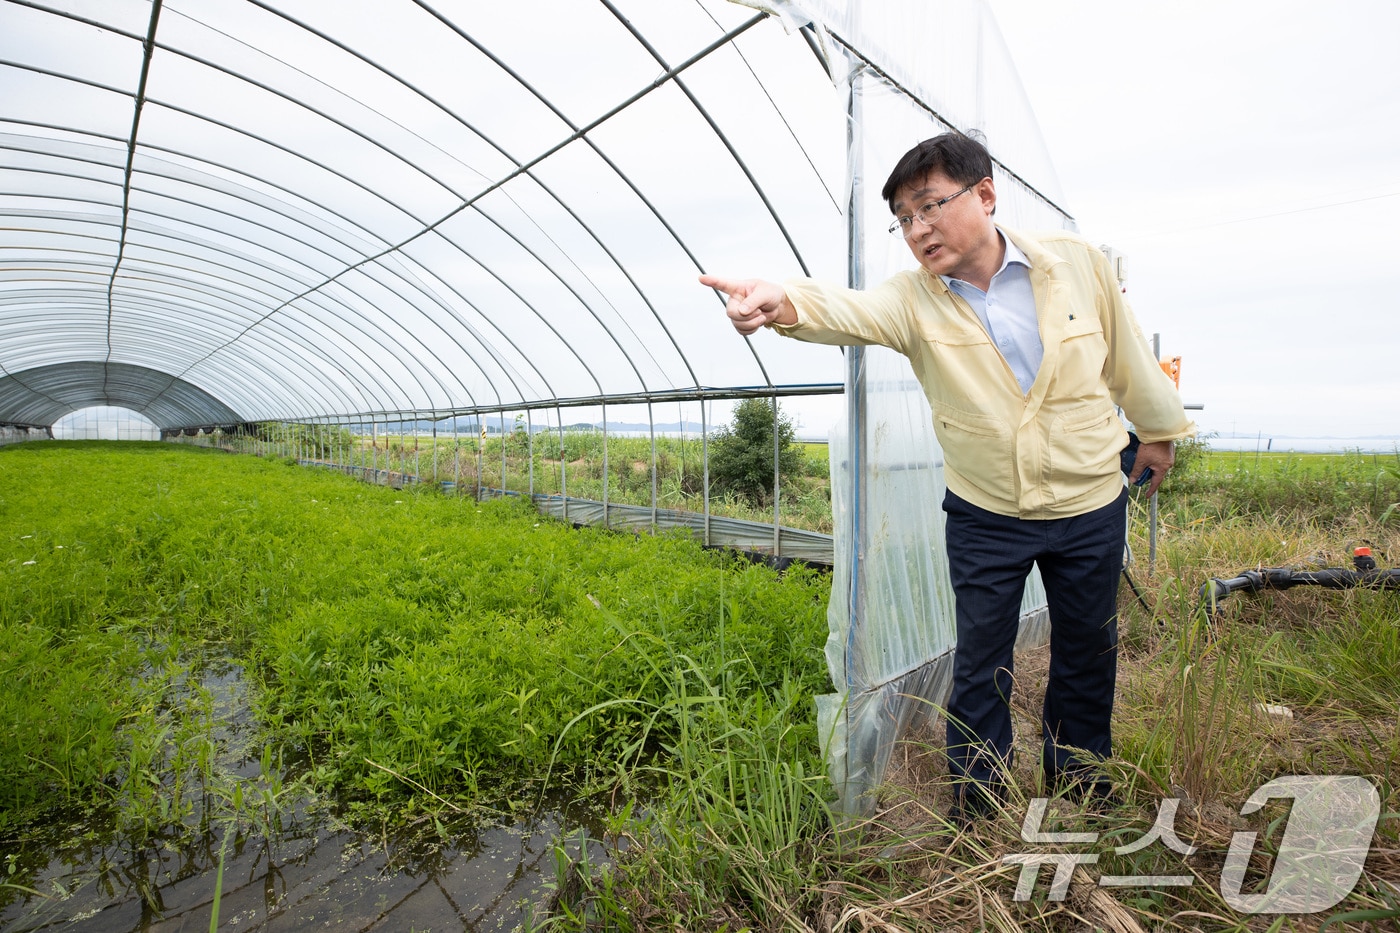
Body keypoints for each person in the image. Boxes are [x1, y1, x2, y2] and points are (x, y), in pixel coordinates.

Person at [700, 133, 1194, 817]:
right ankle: (979, 807)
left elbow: (1129, 359)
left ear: (985, 195)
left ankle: (1080, 788)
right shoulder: (914, 299)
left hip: (1089, 501)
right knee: (981, 662)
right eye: (903, 217)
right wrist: (779, 299)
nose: (917, 229)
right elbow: (846, 310)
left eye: (929, 205)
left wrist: (1159, 432)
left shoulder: (1075, 267)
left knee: (1086, 654)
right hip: (987, 512)